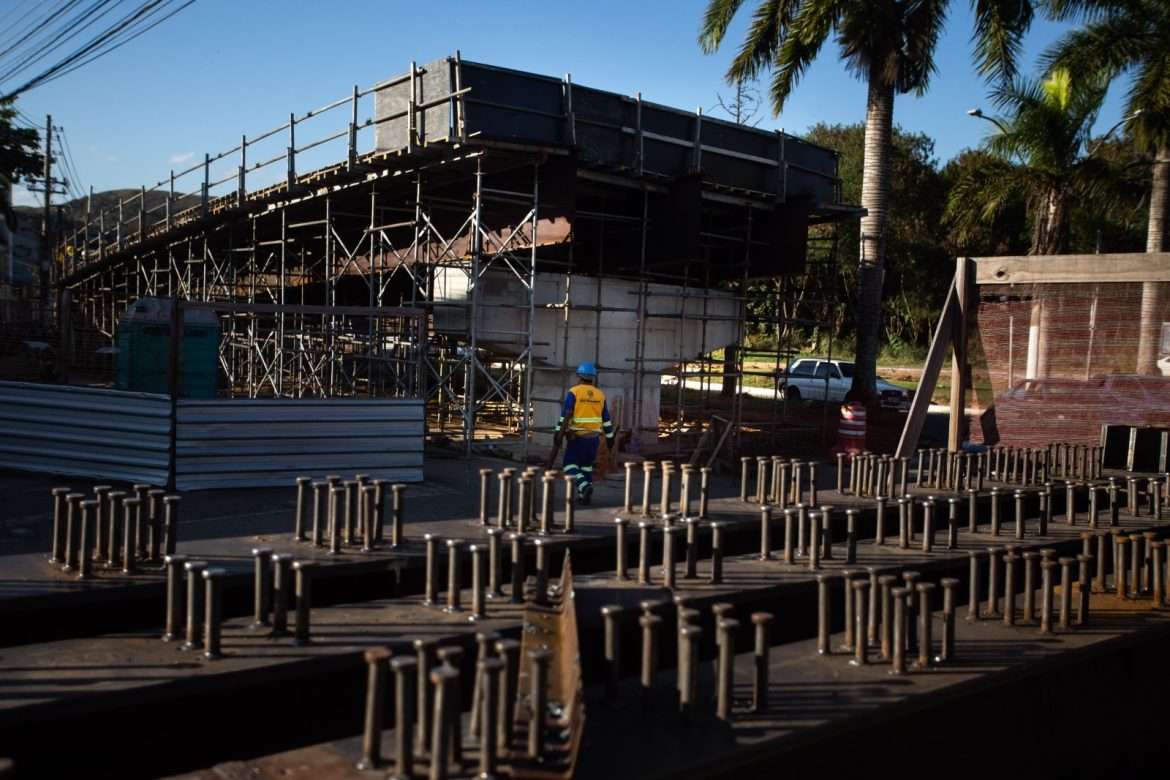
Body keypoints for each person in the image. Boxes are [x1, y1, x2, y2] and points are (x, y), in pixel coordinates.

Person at [550, 362, 615, 504]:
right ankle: (583, 496)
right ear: (593, 378)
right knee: (586, 467)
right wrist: (610, 439)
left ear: (579, 376)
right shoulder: (600, 394)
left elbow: (565, 415)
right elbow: (606, 419)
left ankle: (584, 486)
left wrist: (557, 432)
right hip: (594, 439)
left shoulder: (574, 392)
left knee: (569, 466)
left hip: (577, 438)